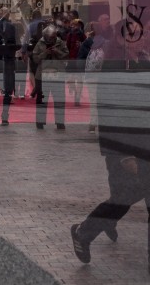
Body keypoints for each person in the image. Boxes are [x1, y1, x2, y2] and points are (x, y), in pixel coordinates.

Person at [70, 48, 149, 270]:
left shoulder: (143, 62)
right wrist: (124, 154)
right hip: (126, 151)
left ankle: (90, 229)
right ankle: (84, 232)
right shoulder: (114, 66)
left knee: (123, 200)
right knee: (121, 199)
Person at [32, 24, 69, 130]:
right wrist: (45, 53)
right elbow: (35, 58)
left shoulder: (60, 42)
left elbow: (66, 55)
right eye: (50, 36)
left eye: (53, 36)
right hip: (43, 75)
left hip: (57, 74)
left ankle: (60, 122)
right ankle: (40, 122)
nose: (51, 38)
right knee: (42, 100)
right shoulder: (40, 43)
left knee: (59, 100)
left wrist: (56, 51)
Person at [0, 8, 18, 126]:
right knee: (7, 89)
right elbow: (14, 44)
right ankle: (5, 116)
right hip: (7, 60)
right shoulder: (11, 27)